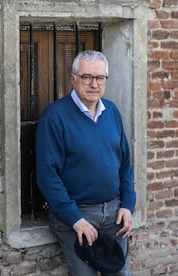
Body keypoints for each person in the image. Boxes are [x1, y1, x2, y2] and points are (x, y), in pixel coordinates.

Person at [35, 50, 136, 275]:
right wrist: (75, 218)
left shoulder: (112, 112)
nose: (94, 84)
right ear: (73, 79)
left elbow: (125, 166)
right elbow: (47, 176)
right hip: (77, 216)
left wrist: (128, 205)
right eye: (87, 77)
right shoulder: (54, 117)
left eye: (100, 78)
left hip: (114, 214)